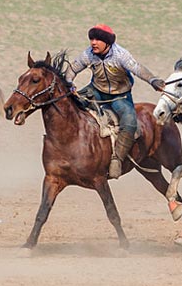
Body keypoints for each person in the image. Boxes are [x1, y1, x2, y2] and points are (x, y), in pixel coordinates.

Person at [66, 24, 165, 179]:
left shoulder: (121, 55)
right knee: (71, 104)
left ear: (107, 42)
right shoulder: (88, 54)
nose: (93, 42)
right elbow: (73, 68)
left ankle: (117, 159)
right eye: (92, 38)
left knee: (130, 122)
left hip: (120, 97)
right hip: (95, 91)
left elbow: (137, 69)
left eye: (98, 39)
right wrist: (69, 82)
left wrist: (153, 80)